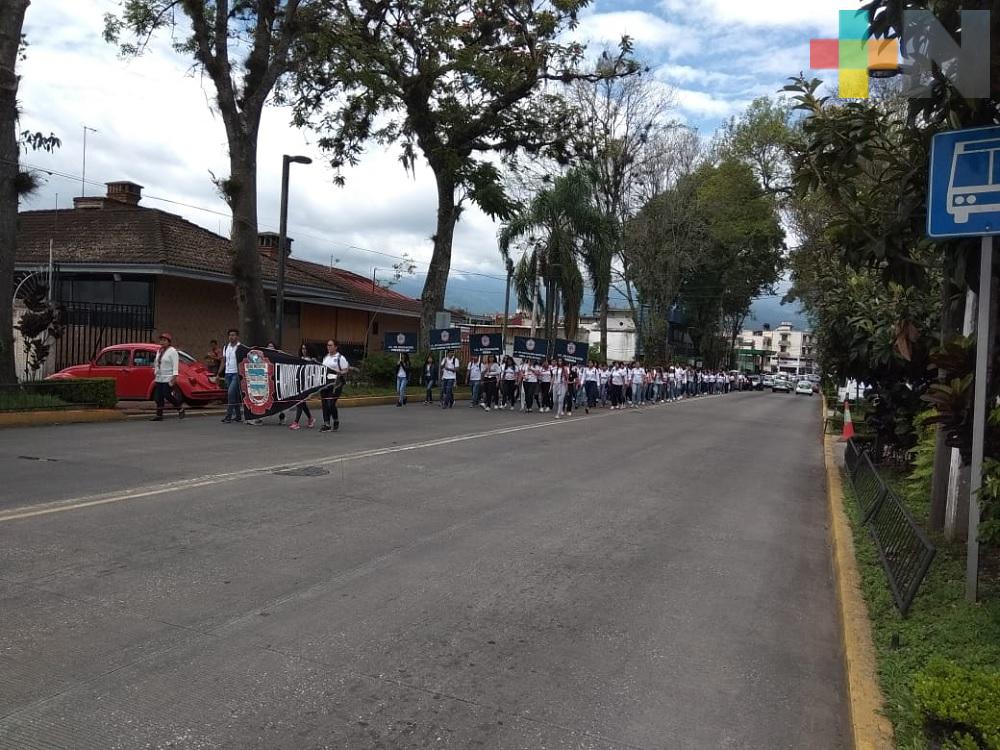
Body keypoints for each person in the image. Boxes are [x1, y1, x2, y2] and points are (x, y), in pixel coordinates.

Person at [151, 332, 185, 421]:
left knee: (167, 395)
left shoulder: (172, 351)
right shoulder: (159, 351)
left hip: (168, 377)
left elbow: (175, 365)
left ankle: (179, 408)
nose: (162, 342)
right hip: (159, 377)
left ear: (169, 342)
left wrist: (174, 377)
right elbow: (157, 362)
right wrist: (155, 371)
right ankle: (159, 415)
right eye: (161, 340)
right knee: (158, 397)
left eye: (164, 340)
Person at [320, 339, 349, 432]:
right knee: (324, 404)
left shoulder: (340, 357)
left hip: (336, 384)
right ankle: (326, 423)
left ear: (336, 347)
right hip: (325, 383)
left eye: (330, 345)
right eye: (328, 345)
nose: (328, 347)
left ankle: (335, 420)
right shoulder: (326, 357)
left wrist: (339, 373)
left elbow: (346, 370)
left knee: (331, 403)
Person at [288, 343, 317, 430]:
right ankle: (311, 419)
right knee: (302, 402)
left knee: (299, 402)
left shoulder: (312, 360)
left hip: (306, 385)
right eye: (302, 348)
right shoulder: (300, 359)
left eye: (305, 349)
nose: (304, 350)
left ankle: (296, 422)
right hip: (298, 383)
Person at [219, 328, 242, 423]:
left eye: (233, 335)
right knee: (235, 395)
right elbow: (224, 361)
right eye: (230, 335)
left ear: (237, 336)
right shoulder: (226, 347)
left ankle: (228, 416)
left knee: (230, 393)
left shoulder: (240, 347)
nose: (231, 337)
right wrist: (218, 373)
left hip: (236, 373)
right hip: (228, 373)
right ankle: (238, 416)